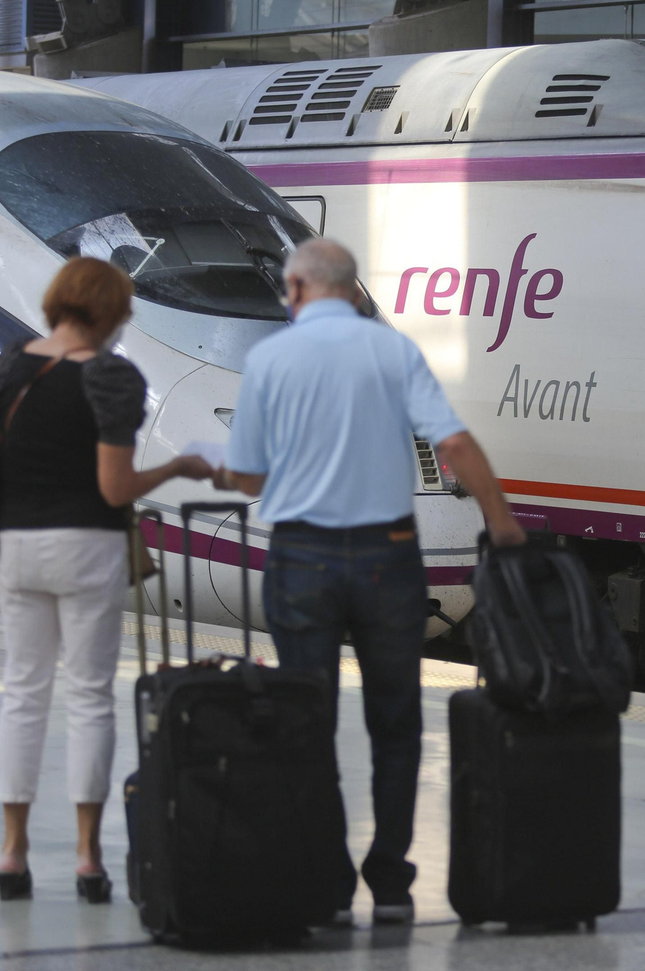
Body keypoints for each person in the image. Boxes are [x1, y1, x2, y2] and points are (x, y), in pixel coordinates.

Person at [215, 237, 526, 925]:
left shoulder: (268, 360)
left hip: (301, 559)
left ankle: (326, 884)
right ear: (354, 292)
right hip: (388, 560)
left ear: (294, 291)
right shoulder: (393, 351)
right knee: (396, 720)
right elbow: (452, 442)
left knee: (307, 720)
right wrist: (502, 522)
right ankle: (390, 881)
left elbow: (246, 479)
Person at [0, 258, 212, 903]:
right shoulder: (111, 376)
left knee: (23, 695)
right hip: (87, 548)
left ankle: (12, 853)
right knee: (88, 699)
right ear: (107, 313)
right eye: (125, 310)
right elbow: (114, 488)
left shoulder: (9, 367)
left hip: (16, 547)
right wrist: (177, 469)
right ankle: (85, 859)